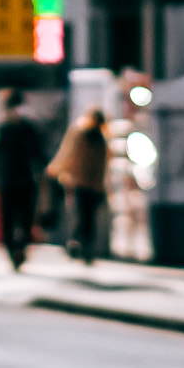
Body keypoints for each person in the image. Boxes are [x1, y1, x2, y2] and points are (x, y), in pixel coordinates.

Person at [46, 105, 109, 262]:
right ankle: (79, 243)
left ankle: (82, 244)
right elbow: (68, 153)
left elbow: (102, 163)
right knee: (82, 213)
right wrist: (58, 169)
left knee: (87, 215)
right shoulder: (83, 133)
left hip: (90, 183)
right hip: (80, 182)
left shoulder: (98, 137)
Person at [0, 88, 43, 270]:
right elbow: (38, 154)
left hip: (10, 180)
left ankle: (16, 250)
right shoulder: (24, 127)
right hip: (22, 180)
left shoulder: (6, 128)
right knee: (21, 218)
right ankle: (17, 250)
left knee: (15, 219)